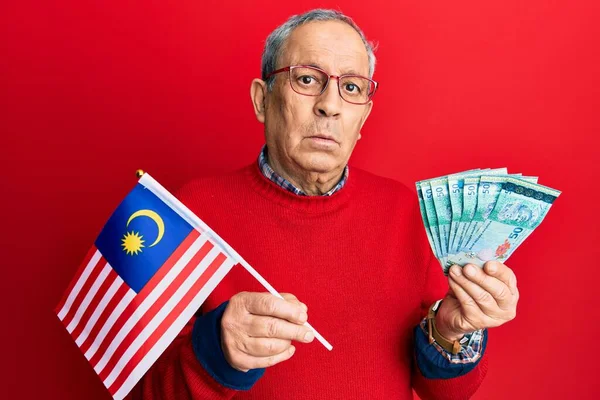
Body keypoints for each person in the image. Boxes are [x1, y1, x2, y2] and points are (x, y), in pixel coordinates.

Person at [129, 9, 519, 400]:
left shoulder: (404, 210)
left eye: (351, 88)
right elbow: (142, 391)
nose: (329, 105)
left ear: (363, 115)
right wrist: (216, 353)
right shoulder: (187, 212)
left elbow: (446, 393)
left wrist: (450, 332)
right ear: (262, 100)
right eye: (307, 79)